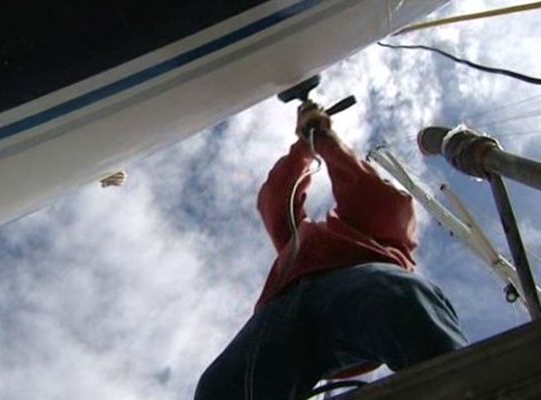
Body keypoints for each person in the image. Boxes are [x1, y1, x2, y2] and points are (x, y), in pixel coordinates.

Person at [194, 103, 468, 400]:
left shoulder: (391, 229)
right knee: (218, 387)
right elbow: (274, 200)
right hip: (281, 306)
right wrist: (303, 147)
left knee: (399, 298)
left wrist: (323, 139)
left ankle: (468, 390)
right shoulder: (299, 242)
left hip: (357, 285)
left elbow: (372, 194)